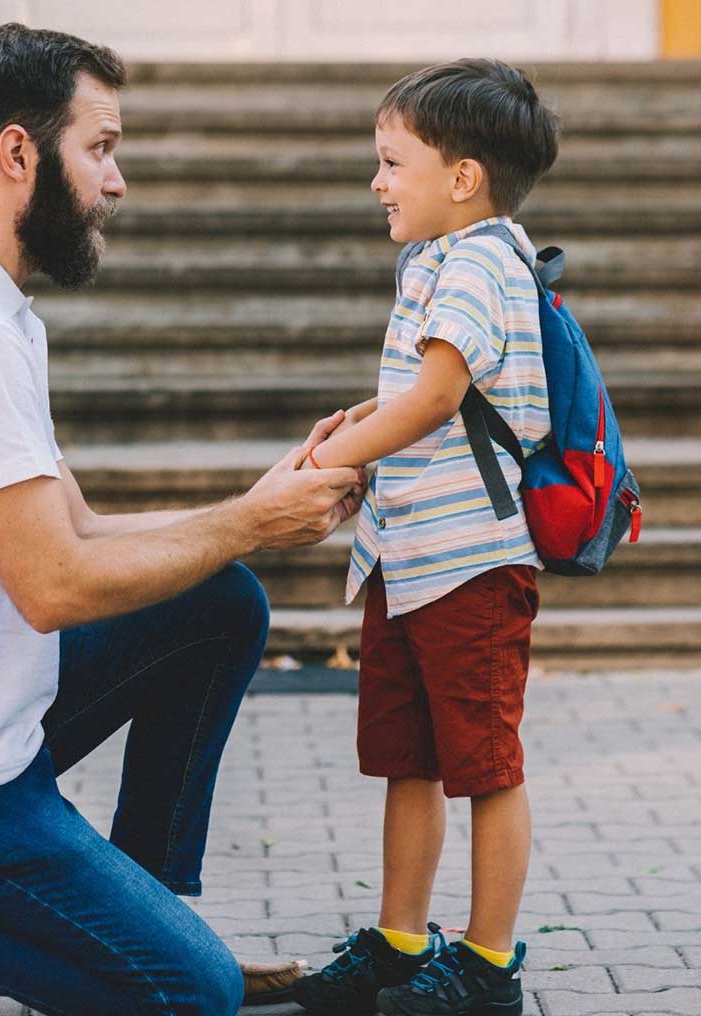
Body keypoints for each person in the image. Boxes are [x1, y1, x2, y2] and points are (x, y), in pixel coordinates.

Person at [0, 23, 364, 1016]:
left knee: (218, 601)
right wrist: (250, 521)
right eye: (101, 147)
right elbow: (56, 586)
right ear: (16, 153)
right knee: (190, 994)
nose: (116, 180)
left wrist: (250, 504)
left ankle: (139, 902)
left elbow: (79, 526)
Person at [290, 59, 559, 1016]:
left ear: (464, 176)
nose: (378, 181)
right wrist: (357, 420)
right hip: (407, 560)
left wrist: (325, 470)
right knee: (409, 756)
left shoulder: (486, 256)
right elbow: (427, 391)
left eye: (392, 160)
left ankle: (488, 965)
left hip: (471, 564)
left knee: (486, 765)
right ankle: (404, 941)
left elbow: (442, 396)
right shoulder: (437, 260)